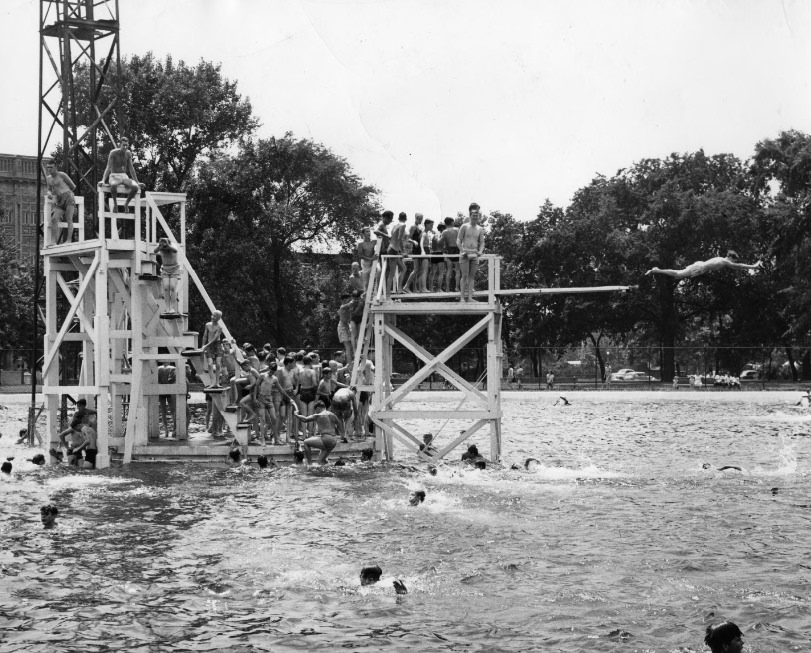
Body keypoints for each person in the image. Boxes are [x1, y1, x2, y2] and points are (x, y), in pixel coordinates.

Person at [100, 136, 145, 215]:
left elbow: (131, 168)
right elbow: (108, 167)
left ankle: (126, 203)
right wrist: (103, 180)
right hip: (114, 175)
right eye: (123, 145)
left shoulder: (128, 153)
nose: (125, 147)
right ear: (119, 145)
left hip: (124, 176)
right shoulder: (113, 153)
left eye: (126, 145)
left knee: (135, 187)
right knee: (113, 185)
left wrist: (137, 182)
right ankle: (115, 204)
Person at [646, 251, 761, 279]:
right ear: (731, 257)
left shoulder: (721, 259)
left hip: (701, 267)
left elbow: (737, 266)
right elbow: (739, 266)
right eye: (734, 260)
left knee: (678, 275)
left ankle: (658, 270)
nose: (734, 263)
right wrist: (753, 266)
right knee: (678, 274)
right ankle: (657, 270)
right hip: (701, 267)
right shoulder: (725, 261)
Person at [294, 401, 341, 466]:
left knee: (306, 442)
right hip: (334, 440)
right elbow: (339, 424)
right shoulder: (332, 415)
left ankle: (309, 464)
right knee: (321, 462)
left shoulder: (318, 415)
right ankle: (329, 468)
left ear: (318, 408)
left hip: (326, 439)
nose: (315, 412)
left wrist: (297, 415)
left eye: (315, 410)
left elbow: (305, 419)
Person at [457, 203, 486, 302]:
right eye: (473, 216)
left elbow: (482, 242)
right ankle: (461, 298)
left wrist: (480, 251)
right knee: (464, 276)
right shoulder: (464, 226)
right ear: (470, 216)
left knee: (471, 277)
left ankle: (470, 297)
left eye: (477, 216)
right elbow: (458, 240)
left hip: (474, 253)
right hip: (465, 252)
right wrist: (462, 251)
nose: (475, 217)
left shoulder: (480, 229)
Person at [45, 162, 76, 245]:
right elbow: (49, 189)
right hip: (59, 200)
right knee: (54, 219)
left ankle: (69, 240)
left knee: (69, 218)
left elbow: (73, 186)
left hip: (69, 197)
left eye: (51, 167)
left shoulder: (62, 175)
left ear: (56, 167)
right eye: (48, 167)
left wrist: (66, 193)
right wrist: (49, 194)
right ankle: (53, 241)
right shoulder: (48, 178)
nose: (49, 169)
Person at [153, 238, 181, 314]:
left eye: (165, 243)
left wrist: (167, 245)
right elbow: (154, 251)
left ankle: (172, 307)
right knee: (166, 287)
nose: (164, 245)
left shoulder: (173, 246)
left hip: (174, 268)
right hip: (165, 269)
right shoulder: (160, 248)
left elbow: (175, 250)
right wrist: (160, 246)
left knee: (172, 287)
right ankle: (167, 307)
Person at [202, 311, 225, 388]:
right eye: (212, 315)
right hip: (209, 345)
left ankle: (217, 382)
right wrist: (203, 346)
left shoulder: (219, 327)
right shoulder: (207, 325)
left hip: (217, 345)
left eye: (215, 316)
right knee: (209, 364)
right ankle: (212, 382)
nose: (213, 317)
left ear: (219, 318)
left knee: (218, 364)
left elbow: (215, 339)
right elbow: (205, 336)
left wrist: (205, 346)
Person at [387, 212, 408, 294]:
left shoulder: (395, 225)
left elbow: (392, 237)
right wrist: (403, 252)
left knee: (403, 268)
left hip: (394, 250)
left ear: (398, 218)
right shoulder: (403, 225)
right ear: (406, 219)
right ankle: (388, 294)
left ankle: (399, 289)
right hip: (393, 250)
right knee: (392, 273)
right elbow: (399, 239)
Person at [157, 360, 177, 439]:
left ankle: (166, 430)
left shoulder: (158, 368)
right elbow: (173, 379)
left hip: (161, 390)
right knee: (173, 411)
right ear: (169, 362)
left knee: (163, 411)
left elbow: (157, 380)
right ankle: (174, 429)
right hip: (170, 389)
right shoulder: (172, 368)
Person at [441, 217, 460, 293]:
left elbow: (442, 243)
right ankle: (457, 287)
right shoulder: (457, 230)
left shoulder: (444, 232)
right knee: (458, 271)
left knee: (449, 270)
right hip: (457, 249)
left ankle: (447, 288)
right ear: (452, 222)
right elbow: (460, 240)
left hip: (449, 250)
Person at [428, 223, 446, 291]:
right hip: (439, 253)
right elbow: (438, 242)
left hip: (433, 253)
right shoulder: (440, 234)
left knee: (432, 272)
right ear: (442, 229)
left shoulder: (434, 234)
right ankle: (439, 289)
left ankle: (430, 288)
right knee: (440, 272)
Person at [337, 293, 354, 361]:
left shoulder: (347, 307)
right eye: (348, 299)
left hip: (347, 325)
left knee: (352, 345)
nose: (350, 300)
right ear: (344, 300)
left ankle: (352, 360)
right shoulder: (342, 307)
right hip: (342, 327)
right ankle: (349, 363)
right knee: (348, 347)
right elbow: (350, 303)